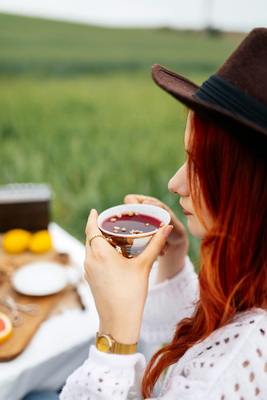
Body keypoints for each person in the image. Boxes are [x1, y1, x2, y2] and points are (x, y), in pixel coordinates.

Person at [60, 27, 267, 399]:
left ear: (251, 190)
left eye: (198, 166)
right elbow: (196, 351)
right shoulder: (250, 283)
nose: (175, 184)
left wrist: (115, 337)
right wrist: (172, 265)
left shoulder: (232, 370)